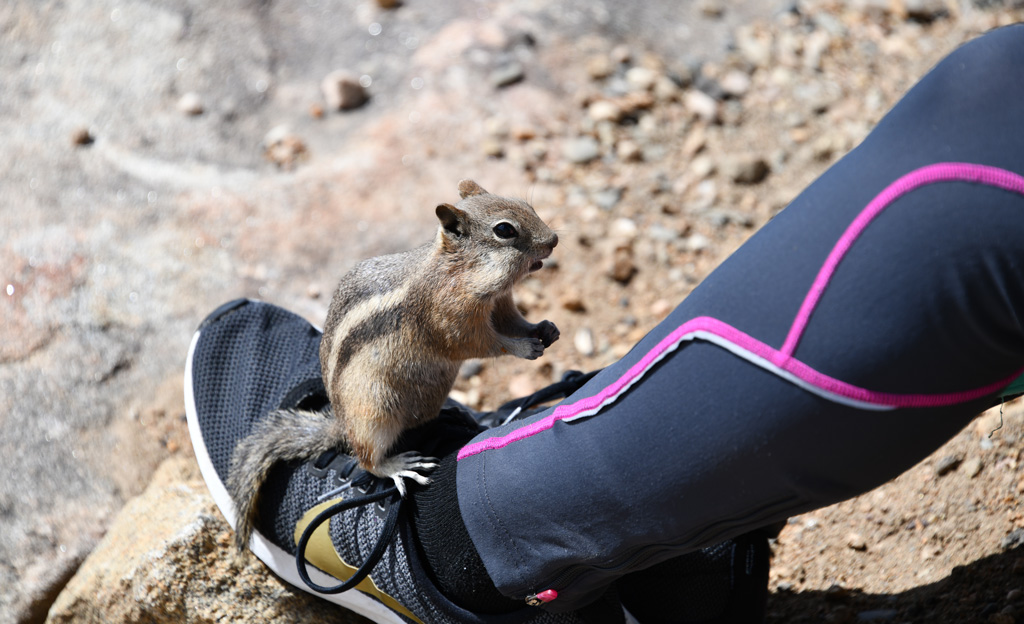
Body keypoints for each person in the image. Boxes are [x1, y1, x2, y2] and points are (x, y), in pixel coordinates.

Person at [185, 23, 1024, 624]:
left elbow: (480, 329)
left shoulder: (468, 285)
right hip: (383, 396)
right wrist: (507, 338)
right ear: (457, 238)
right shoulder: (442, 289)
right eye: (515, 240)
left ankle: (457, 543)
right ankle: (656, 530)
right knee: (995, 88)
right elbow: (456, 334)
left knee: (973, 169)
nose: (541, 247)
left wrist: (515, 333)